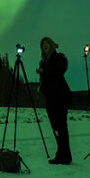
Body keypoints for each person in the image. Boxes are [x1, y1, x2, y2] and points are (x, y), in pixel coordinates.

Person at [37, 36, 72, 164]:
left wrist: (43, 70)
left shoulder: (58, 58)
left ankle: (64, 156)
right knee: (56, 127)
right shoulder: (45, 61)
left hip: (60, 97)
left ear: (51, 45)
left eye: (47, 43)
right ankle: (62, 155)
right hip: (51, 98)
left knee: (60, 127)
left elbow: (58, 71)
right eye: (43, 44)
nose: (44, 45)